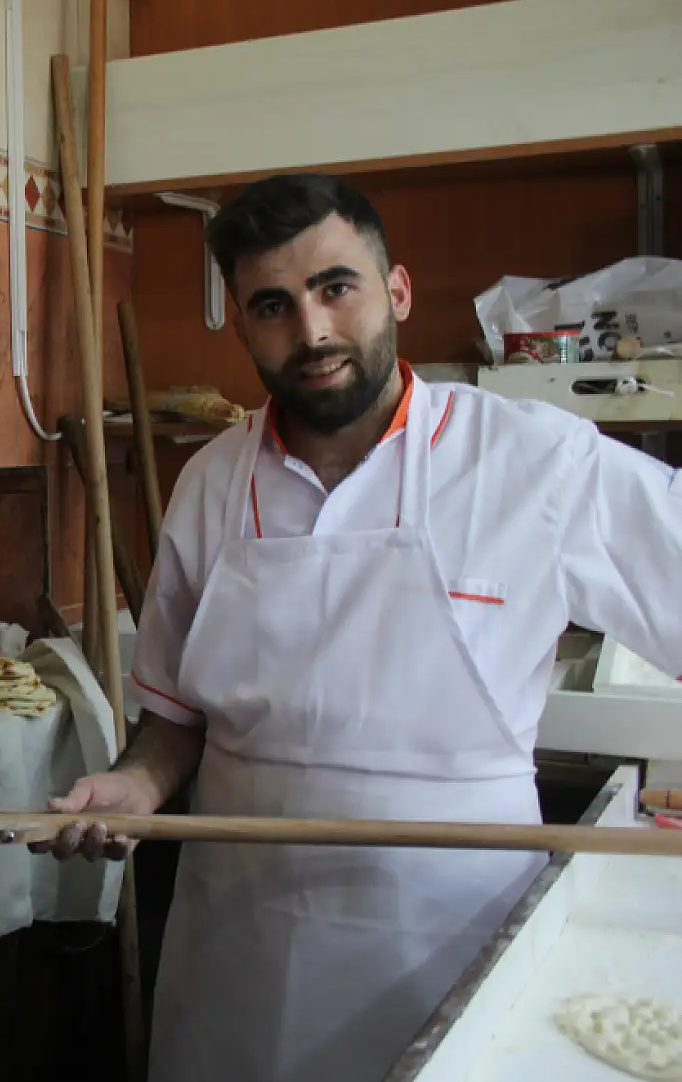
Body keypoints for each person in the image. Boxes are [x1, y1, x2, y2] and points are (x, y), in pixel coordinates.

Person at [39, 173, 682, 1082]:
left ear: (399, 291)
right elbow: (177, 717)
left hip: (451, 934)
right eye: (273, 305)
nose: (312, 331)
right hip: (243, 948)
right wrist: (139, 786)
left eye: (336, 287)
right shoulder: (211, 485)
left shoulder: (537, 459)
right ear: (242, 322)